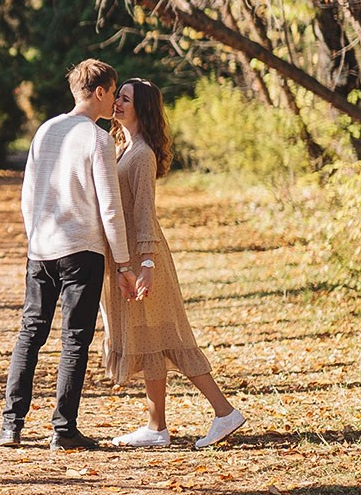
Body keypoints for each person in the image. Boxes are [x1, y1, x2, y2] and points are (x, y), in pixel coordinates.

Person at [0, 59, 137, 451]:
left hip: (41, 250)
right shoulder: (96, 139)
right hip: (81, 252)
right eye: (113, 93)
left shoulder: (46, 130)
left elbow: (27, 195)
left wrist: (35, 237)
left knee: (30, 333)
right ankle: (63, 429)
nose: (114, 105)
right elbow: (110, 207)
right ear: (101, 92)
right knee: (75, 339)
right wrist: (123, 263)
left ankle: (11, 426)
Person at [101, 77, 246, 449]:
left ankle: (224, 412)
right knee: (152, 341)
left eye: (125, 99)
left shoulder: (142, 154)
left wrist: (145, 263)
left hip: (145, 258)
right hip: (131, 256)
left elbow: (145, 213)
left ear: (142, 107)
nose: (117, 102)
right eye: (118, 97)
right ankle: (156, 427)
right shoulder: (124, 147)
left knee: (172, 338)